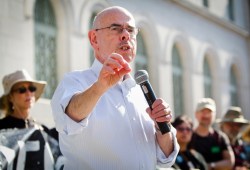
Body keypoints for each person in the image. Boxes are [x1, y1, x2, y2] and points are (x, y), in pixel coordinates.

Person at [51, 6, 179, 170]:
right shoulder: (75, 81)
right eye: (115, 28)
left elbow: (166, 159)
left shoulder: (142, 92)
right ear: (94, 39)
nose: (126, 35)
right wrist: (99, 87)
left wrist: (162, 127)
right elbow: (68, 119)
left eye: (131, 30)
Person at [0, 69, 63, 169]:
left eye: (32, 88)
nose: (28, 93)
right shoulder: (2, 128)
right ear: (10, 97)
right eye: (22, 90)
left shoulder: (42, 129)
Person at [189, 98, 235, 170]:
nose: (206, 115)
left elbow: (230, 162)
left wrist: (209, 166)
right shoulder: (188, 136)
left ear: (214, 115)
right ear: (196, 114)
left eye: (209, 112)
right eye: (203, 112)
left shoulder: (220, 137)